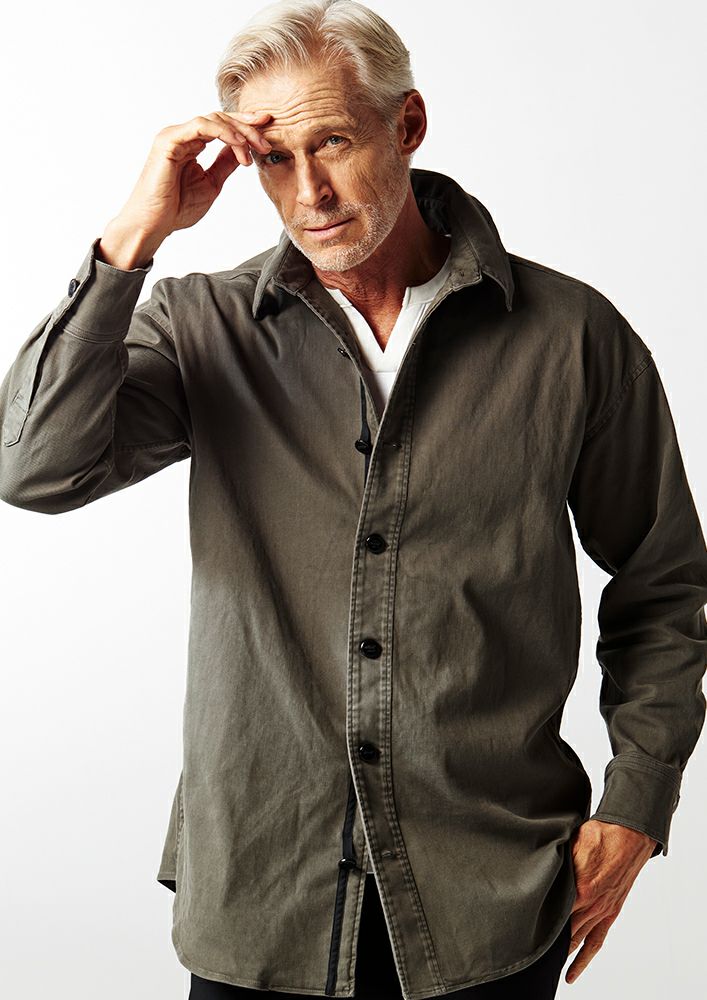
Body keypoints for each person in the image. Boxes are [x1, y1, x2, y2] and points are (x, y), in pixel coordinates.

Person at [1, 1, 705, 998]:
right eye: (272, 159)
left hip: (490, 897)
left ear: (405, 124)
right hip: (263, 895)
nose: (309, 193)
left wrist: (635, 804)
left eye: (331, 141)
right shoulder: (202, 326)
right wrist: (132, 237)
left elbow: (662, 583)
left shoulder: (569, 336)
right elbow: (33, 467)